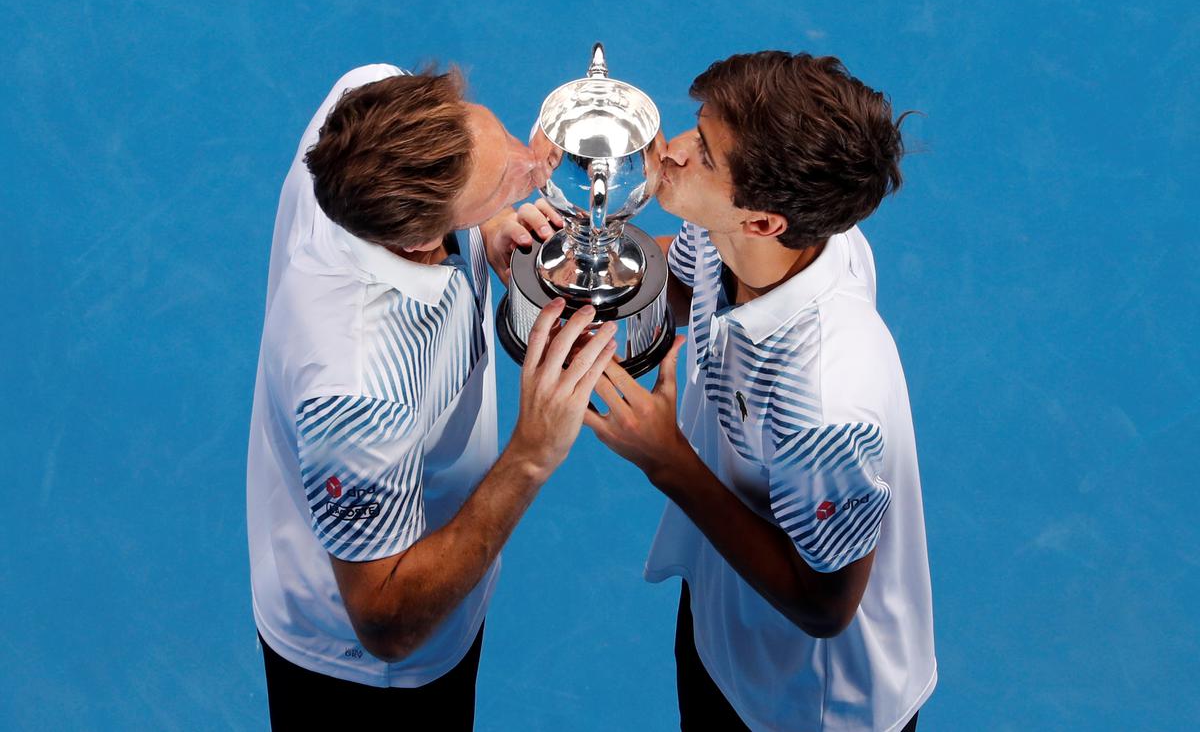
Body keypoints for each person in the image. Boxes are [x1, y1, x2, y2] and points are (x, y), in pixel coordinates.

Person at [516, 51, 936, 730]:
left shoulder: (828, 403)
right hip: (725, 628)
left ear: (763, 221)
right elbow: (682, 285)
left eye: (703, 154)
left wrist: (668, 461)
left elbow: (823, 604)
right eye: (695, 128)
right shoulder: (739, 232)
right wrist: (577, 249)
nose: (672, 150)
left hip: (806, 704)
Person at [245, 63, 616, 729]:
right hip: (367, 676)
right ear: (417, 240)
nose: (530, 167)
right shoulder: (357, 385)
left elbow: (471, 188)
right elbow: (385, 621)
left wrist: (485, 225)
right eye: (502, 182)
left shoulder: (366, 101)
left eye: (495, 134)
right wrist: (530, 454)